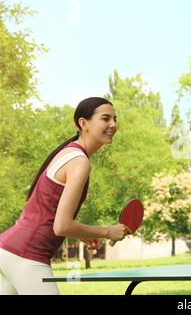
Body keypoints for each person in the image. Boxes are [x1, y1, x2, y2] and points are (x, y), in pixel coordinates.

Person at [0, 97, 130, 295]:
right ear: (83, 123)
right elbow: (61, 225)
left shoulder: (68, 153)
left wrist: (83, 233)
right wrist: (107, 231)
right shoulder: (80, 162)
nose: (113, 125)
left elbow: (48, 212)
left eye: (115, 119)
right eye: (105, 119)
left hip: (6, 251)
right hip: (27, 256)